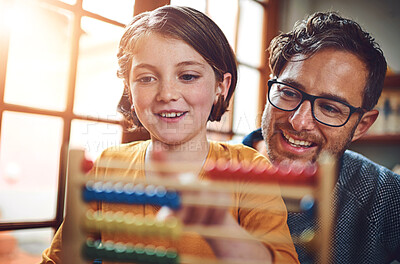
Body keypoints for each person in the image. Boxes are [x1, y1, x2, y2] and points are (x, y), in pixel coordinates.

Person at [41, 6, 299, 264]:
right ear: (128, 90)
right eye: (146, 78)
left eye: (188, 76)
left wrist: (223, 232)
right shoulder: (108, 166)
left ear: (222, 86)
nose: (167, 94)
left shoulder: (250, 171)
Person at [243, 11, 400, 263]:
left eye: (329, 108)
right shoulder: (202, 175)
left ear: (362, 125)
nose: (298, 121)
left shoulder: (389, 199)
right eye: (289, 93)